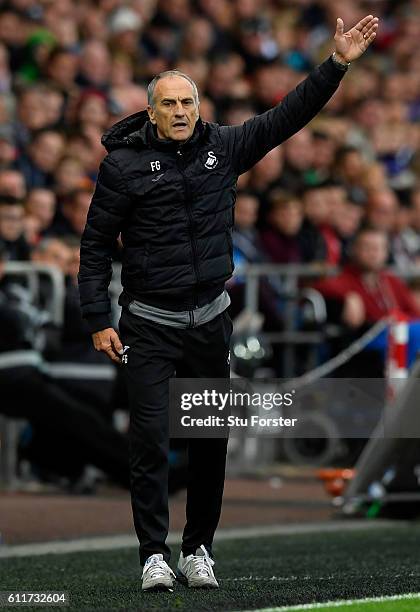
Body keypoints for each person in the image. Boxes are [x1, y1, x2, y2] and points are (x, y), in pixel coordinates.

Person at [78, 15, 379, 592]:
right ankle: (152, 554)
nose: (181, 112)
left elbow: (288, 116)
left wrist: (336, 64)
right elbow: (94, 247)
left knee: (210, 439)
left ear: (199, 104)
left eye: (187, 101)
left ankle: (198, 550)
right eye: (168, 104)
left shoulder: (225, 146)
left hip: (210, 323)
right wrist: (97, 317)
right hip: (148, 323)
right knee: (150, 441)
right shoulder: (122, 167)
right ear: (152, 112)